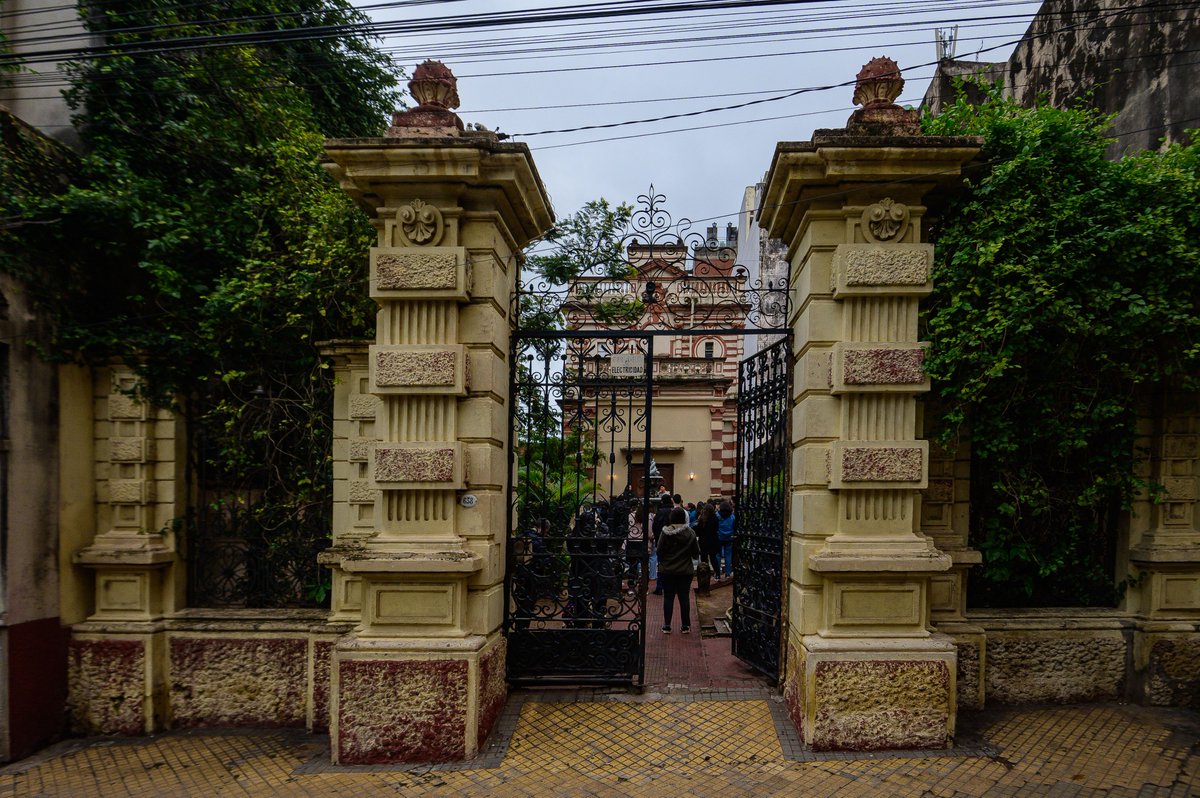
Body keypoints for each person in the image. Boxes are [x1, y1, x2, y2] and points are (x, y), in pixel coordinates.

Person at [656, 506, 700, 634]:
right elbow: (696, 553)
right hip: (685, 570)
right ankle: (685, 625)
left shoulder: (665, 532)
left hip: (667, 569)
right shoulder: (691, 533)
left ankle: (667, 625)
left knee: (668, 596)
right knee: (684, 596)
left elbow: (659, 550)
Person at [650, 494, 672, 595]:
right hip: (673, 542)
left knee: (661, 564)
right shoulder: (673, 511)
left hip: (661, 542)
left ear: (662, 501)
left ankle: (660, 586)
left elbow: (655, 526)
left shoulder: (660, 512)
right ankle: (672, 586)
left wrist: (657, 538)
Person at [696, 502, 720, 578]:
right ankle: (717, 573)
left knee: (704, 559)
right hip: (712, 541)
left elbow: (698, 530)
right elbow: (716, 529)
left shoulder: (702, 519)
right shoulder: (715, 518)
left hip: (703, 541)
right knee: (713, 558)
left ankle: (705, 574)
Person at [716, 500, 736, 579]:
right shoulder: (732, 516)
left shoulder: (717, 515)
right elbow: (734, 527)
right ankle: (728, 573)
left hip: (719, 537)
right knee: (728, 556)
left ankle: (717, 573)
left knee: (718, 555)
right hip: (729, 538)